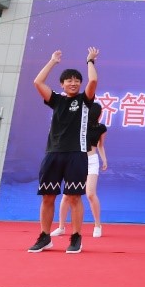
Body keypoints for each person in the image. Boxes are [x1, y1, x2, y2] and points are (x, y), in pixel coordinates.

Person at [28, 47, 99, 254]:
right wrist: (52, 61)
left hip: (76, 154)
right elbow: (38, 82)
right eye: (69, 80)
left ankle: (76, 237)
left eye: (76, 80)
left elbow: (93, 81)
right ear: (62, 84)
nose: (73, 83)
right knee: (48, 197)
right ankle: (44, 237)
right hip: (53, 153)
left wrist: (90, 61)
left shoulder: (85, 100)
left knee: (74, 197)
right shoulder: (56, 100)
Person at [52, 102, 108, 238]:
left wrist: (104, 160)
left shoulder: (101, 128)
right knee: (67, 195)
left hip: (92, 160)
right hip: (77, 160)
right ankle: (61, 227)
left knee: (90, 194)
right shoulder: (79, 125)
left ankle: (97, 225)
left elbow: (100, 145)